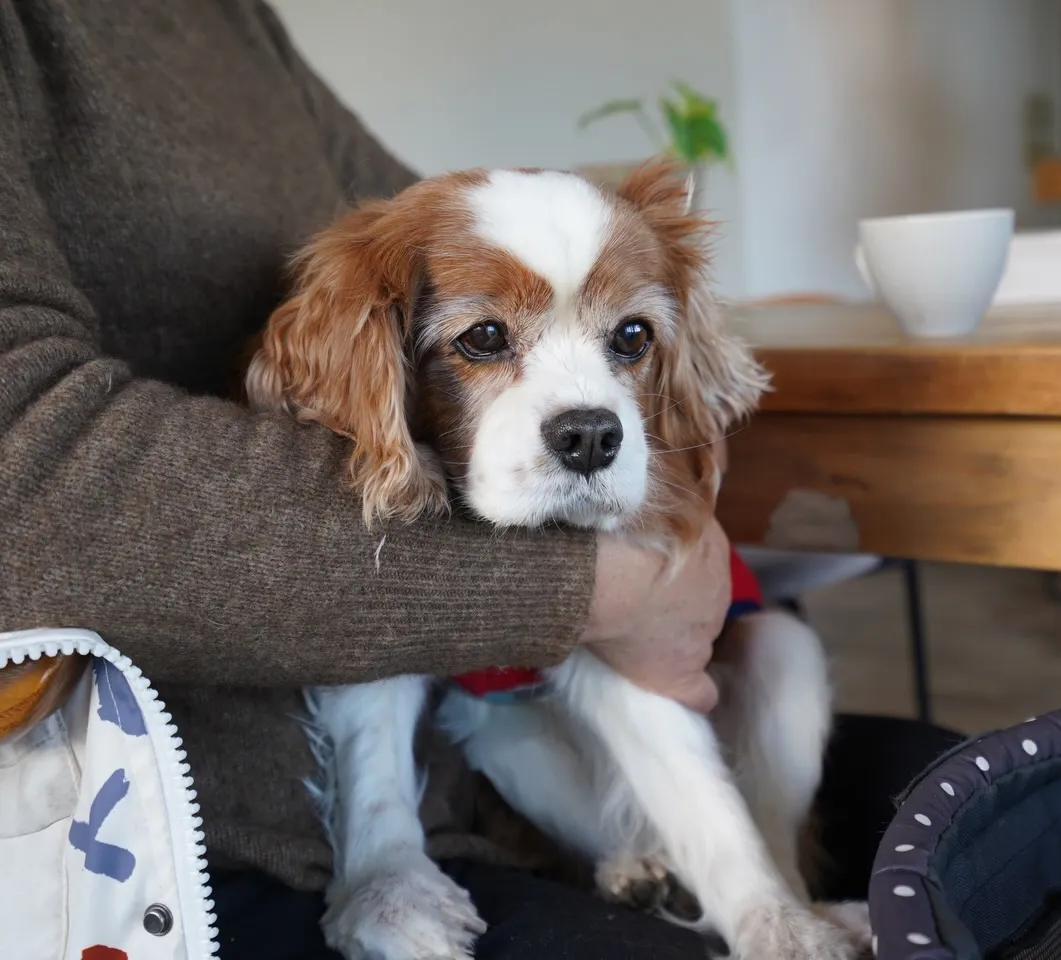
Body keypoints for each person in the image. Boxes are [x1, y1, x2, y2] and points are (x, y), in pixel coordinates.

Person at [0, 1, 959, 957]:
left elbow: (471, 211)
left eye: (627, 340)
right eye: (488, 341)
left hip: (481, 748)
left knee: (956, 812)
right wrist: (601, 588)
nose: (586, 409)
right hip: (189, 832)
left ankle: (758, 889)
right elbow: (32, 474)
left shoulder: (231, 21)